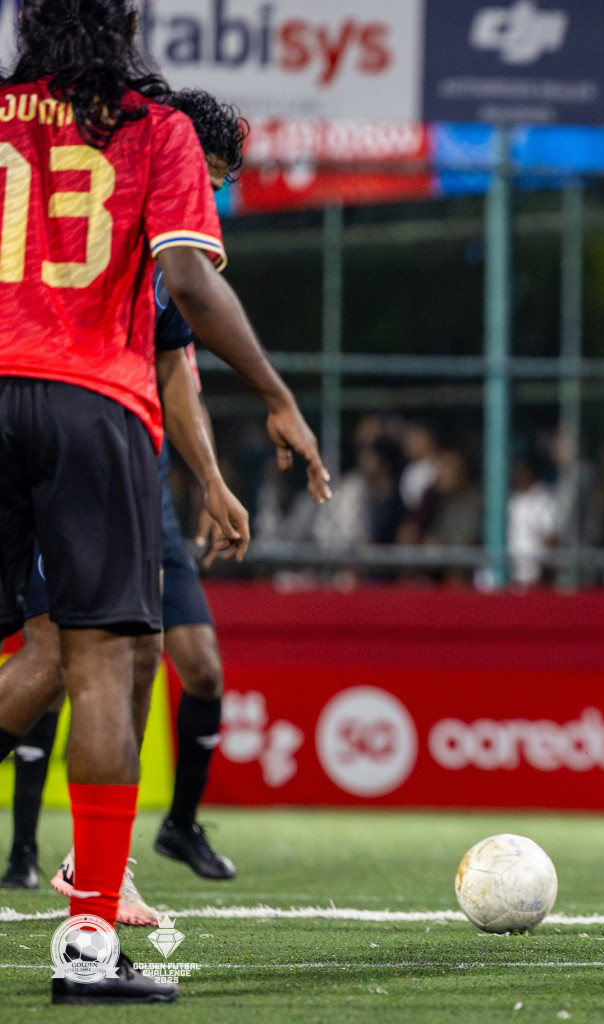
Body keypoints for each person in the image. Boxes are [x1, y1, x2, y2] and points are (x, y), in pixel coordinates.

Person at [0, 2, 325, 1004]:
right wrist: (276, 393)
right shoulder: (156, 126)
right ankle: (89, 945)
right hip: (91, 402)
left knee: (38, 656)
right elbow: (186, 276)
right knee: (104, 664)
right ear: (128, 24)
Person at [1, 88, 266, 903]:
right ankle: (80, 883)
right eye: (205, 179)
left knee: (139, 652)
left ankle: (102, 870)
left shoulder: (155, 242)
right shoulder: (128, 211)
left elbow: (173, 365)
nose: (206, 198)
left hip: (121, 462)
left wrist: (211, 481)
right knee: (60, 659)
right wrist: (276, 397)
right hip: (67, 438)